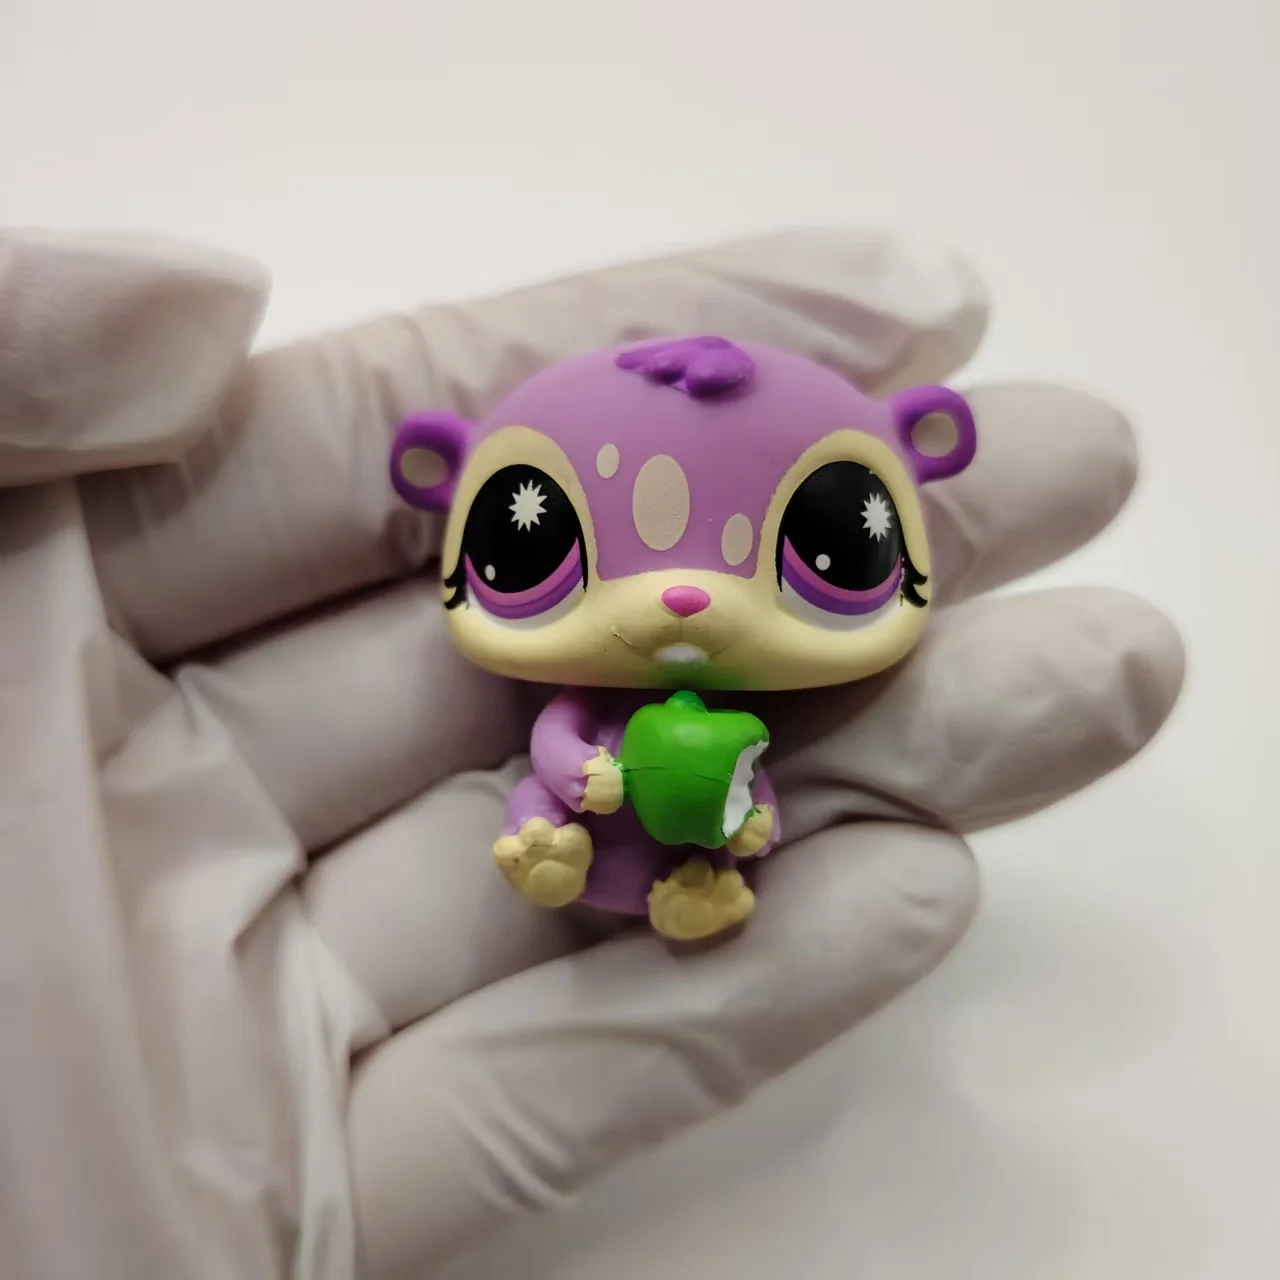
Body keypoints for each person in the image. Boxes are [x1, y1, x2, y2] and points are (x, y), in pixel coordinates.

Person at [0, 227, 1183, 1280]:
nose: (681, 597)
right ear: (445, 485)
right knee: (548, 812)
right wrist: (579, 782)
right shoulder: (577, 708)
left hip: (678, 840)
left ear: (918, 457)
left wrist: (747, 818)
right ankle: (560, 850)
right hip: (584, 825)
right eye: (534, 538)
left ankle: (695, 880)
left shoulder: (737, 719)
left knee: (731, 843)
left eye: (830, 541)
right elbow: (558, 738)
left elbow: (753, 772)